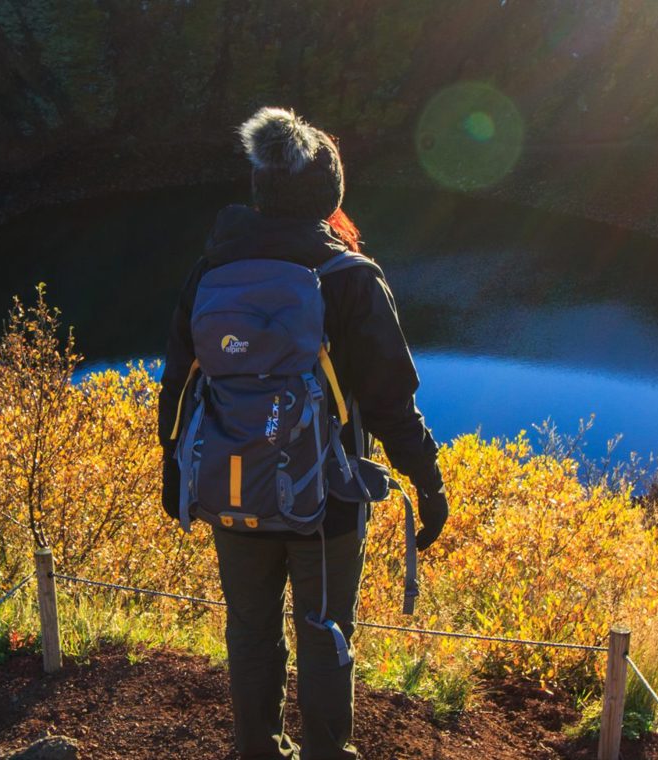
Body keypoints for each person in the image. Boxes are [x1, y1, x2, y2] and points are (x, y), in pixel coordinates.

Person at [158, 107, 449, 760]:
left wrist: (174, 470)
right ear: (330, 195)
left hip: (232, 488)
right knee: (325, 632)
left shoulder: (210, 273)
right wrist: (427, 484)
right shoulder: (349, 279)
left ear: (258, 191)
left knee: (250, 630)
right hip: (329, 500)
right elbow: (392, 402)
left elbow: (178, 385)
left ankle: (257, 751)